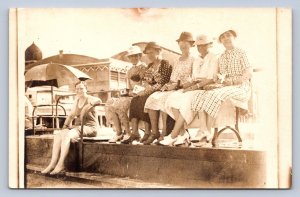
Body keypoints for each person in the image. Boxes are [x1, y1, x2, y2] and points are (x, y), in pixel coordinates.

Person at [189, 29, 252, 145]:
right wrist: (216, 84)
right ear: (220, 41)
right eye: (223, 37)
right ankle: (203, 130)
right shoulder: (221, 56)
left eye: (228, 35)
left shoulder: (241, 52)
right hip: (225, 87)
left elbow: (248, 72)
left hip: (241, 87)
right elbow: (221, 77)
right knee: (201, 94)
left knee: (214, 95)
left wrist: (233, 81)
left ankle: (207, 131)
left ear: (234, 37)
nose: (226, 38)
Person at [160, 34, 218, 146]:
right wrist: (185, 87)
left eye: (203, 45)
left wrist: (194, 87)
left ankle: (173, 135)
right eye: (198, 46)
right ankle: (183, 134)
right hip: (195, 86)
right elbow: (194, 78)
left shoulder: (212, 58)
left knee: (185, 101)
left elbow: (211, 79)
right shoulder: (197, 60)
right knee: (173, 99)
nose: (200, 48)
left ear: (208, 45)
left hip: (205, 87)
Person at [143, 32, 194, 145]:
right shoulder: (177, 60)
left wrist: (176, 85)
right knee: (153, 97)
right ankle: (175, 133)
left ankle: (170, 133)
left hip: (185, 88)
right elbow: (172, 78)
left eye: (186, 43)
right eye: (181, 43)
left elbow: (193, 79)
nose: (183, 45)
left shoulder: (193, 59)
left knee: (169, 99)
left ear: (191, 44)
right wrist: (168, 85)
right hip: (175, 87)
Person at [41, 81, 101, 175]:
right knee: (58, 135)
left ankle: (60, 165)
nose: (79, 91)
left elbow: (99, 100)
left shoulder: (90, 98)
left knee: (68, 135)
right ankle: (52, 164)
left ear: (86, 89)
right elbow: (71, 115)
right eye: (77, 89)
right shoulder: (76, 101)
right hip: (78, 127)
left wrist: (90, 105)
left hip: (90, 128)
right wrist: (64, 127)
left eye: (82, 88)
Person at [122, 42, 172, 144]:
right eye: (148, 53)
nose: (149, 55)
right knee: (135, 100)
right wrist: (142, 90)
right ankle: (135, 132)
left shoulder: (164, 63)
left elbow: (162, 82)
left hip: (162, 89)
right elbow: (146, 81)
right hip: (150, 90)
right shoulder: (150, 65)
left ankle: (153, 132)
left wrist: (145, 91)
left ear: (158, 51)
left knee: (145, 99)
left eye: (151, 52)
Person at [105, 46, 148, 143]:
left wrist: (134, 92)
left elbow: (145, 84)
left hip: (140, 95)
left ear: (139, 56)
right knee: (110, 105)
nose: (133, 58)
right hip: (131, 95)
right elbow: (128, 87)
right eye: (131, 56)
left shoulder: (144, 68)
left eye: (135, 56)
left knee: (119, 106)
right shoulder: (129, 70)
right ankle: (119, 133)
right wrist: (126, 92)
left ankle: (128, 133)